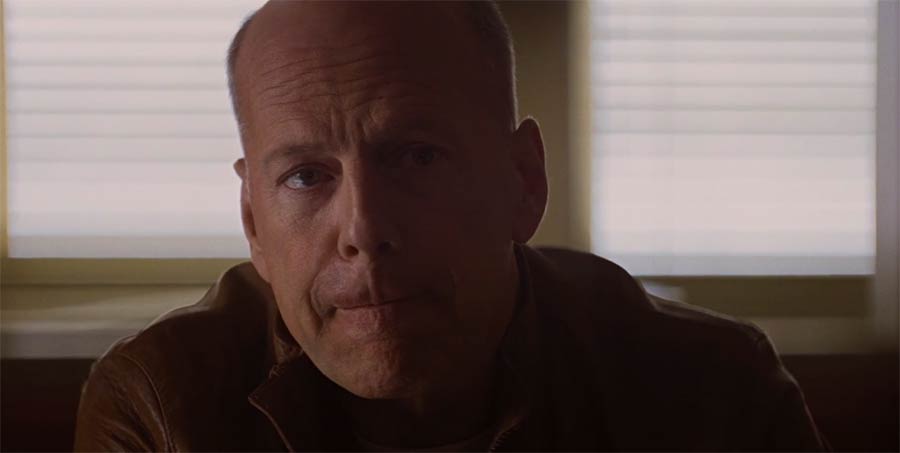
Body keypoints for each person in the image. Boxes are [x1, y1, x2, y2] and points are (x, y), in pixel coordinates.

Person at [74, 1, 827, 451]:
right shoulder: (162, 409)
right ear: (252, 221)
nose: (364, 228)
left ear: (523, 182)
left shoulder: (712, 393)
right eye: (306, 176)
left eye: (417, 156)